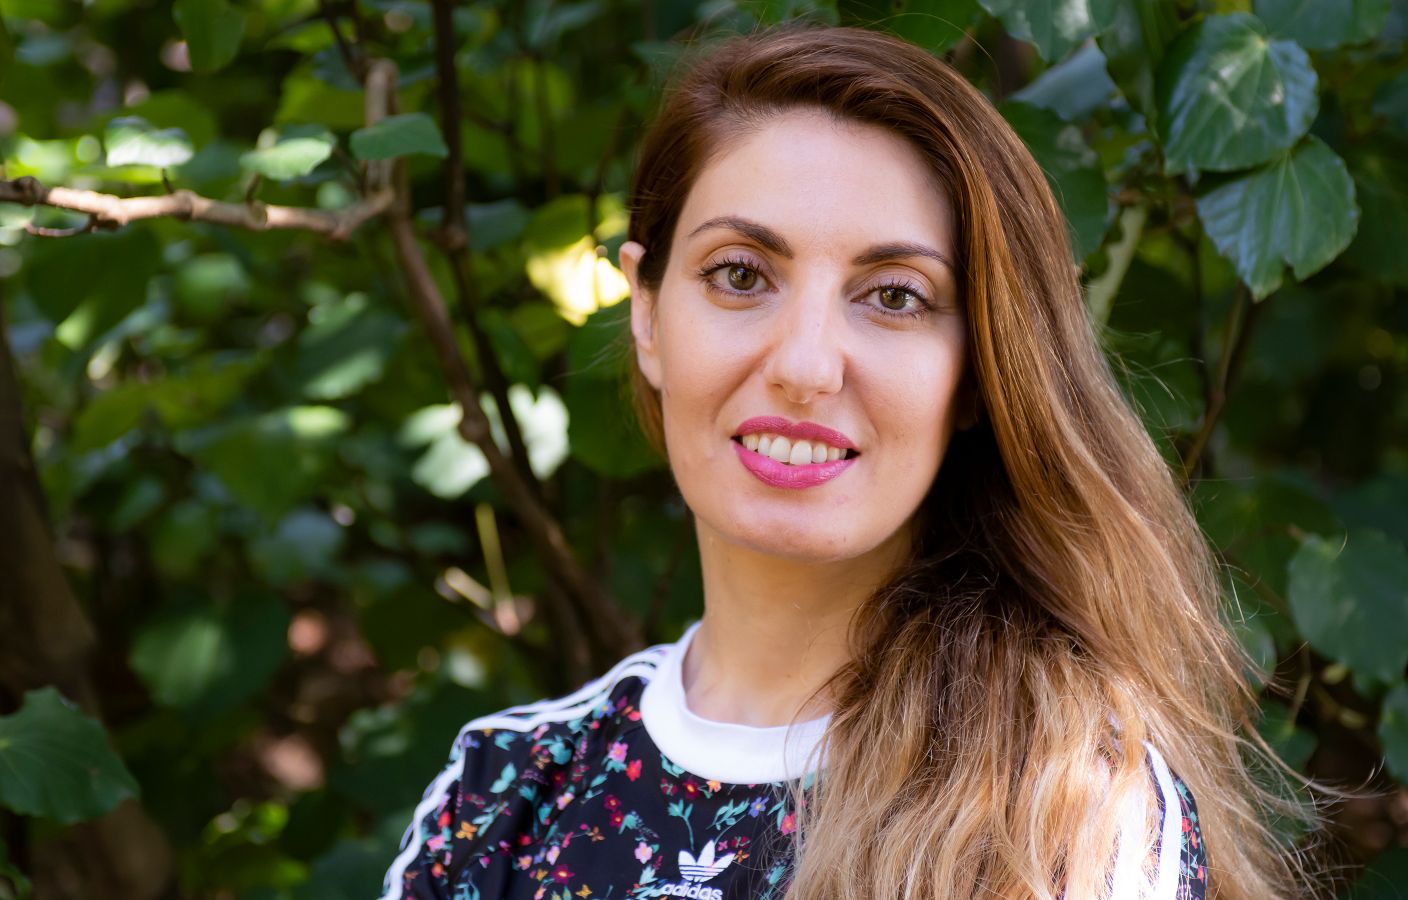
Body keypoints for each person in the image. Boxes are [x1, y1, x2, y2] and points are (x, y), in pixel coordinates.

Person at [379, 22, 1315, 900]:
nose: (804, 367)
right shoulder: (501, 797)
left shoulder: (1063, 808)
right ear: (646, 314)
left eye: (895, 297)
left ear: (980, 374)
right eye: (741, 274)